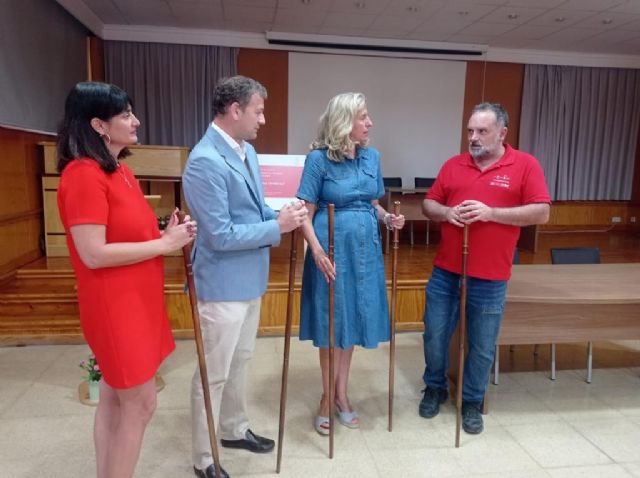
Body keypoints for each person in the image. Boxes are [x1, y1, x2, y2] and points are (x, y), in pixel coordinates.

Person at [56, 82, 196, 478]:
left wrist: (166, 233)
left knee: (117, 401)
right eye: (126, 115)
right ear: (98, 124)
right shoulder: (83, 175)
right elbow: (94, 253)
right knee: (140, 404)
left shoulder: (120, 171)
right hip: (116, 306)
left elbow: (131, 234)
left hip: (136, 300)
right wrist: (164, 245)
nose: (136, 122)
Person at [182, 75, 307, 478]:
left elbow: (250, 215)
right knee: (213, 373)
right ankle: (204, 458)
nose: (263, 119)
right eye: (258, 110)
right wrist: (279, 227)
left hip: (250, 277)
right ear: (235, 110)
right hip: (220, 283)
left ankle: (233, 429)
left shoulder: (247, 152)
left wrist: (278, 216)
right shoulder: (204, 160)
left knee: (241, 362)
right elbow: (218, 236)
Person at [418, 102, 551, 434]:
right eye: (470, 131)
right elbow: (428, 203)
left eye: (482, 131)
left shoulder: (524, 165)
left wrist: (492, 213)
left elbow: (541, 213)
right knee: (434, 335)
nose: (473, 138)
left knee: (481, 344)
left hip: (491, 276)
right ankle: (434, 387)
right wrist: (446, 213)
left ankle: (473, 400)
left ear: (502, 133)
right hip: (446, 271)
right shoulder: (454, 164)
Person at [296, 92, 405, 435]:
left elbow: (371, 201)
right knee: (333, 326)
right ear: (344, 122)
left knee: (353, 324)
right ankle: (327, 397)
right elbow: (304, 212)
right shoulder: (318, 160)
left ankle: (343, 394)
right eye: (363, 117)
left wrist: (387, 218)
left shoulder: (372, 157)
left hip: (366, 252)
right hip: (331, 251)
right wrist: (315, 251)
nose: (370, 123)